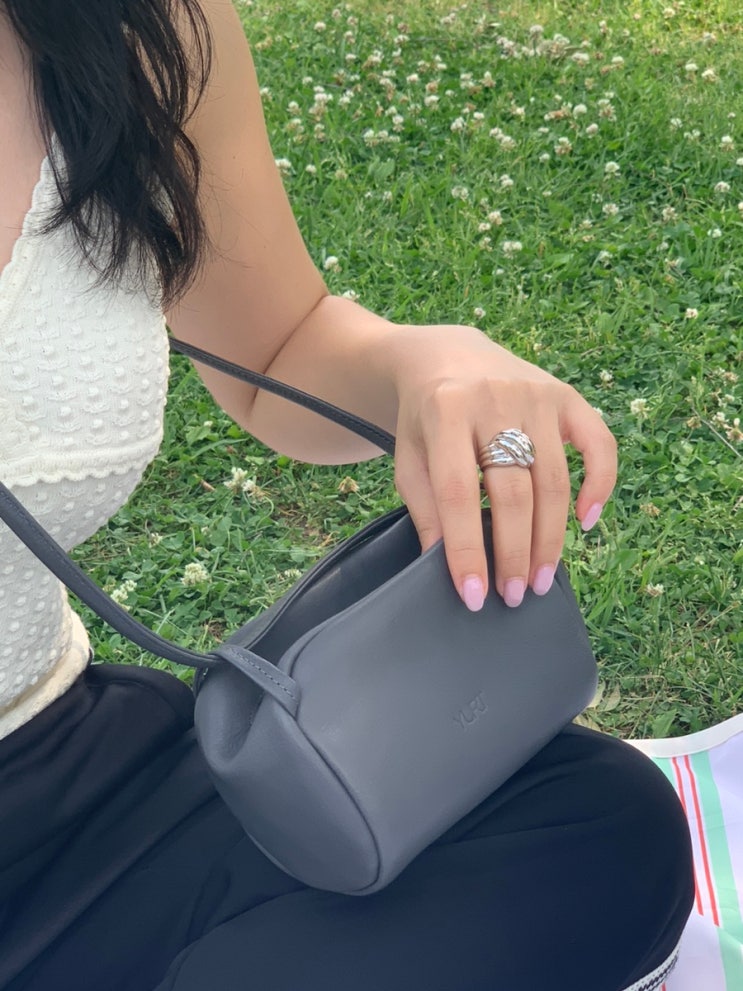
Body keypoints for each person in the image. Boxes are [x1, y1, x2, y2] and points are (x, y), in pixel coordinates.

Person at [0, 1, 694, 989]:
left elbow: (279, 346)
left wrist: (425, 366)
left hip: (63, 768)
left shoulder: (131, 27)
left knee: (595, 827)